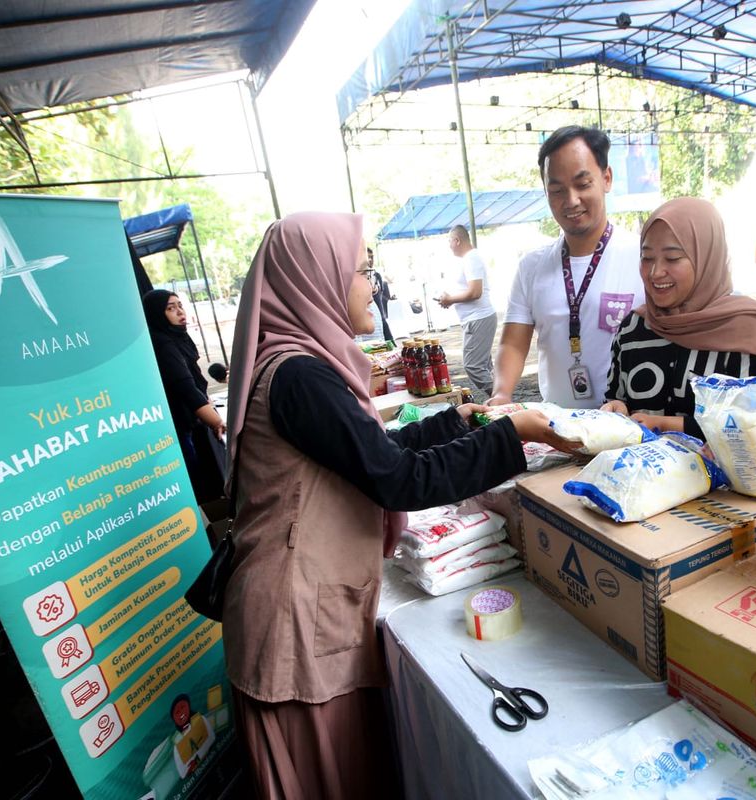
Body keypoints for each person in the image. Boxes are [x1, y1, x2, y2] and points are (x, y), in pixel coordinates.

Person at [220, 212, 573, 799]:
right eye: (362, 271)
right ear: (317, 278)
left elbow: (371, 451)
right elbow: (398, 479)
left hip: (301, 606)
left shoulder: (300, 365)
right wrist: (510, 437)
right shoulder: (300, 376)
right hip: (292, 619)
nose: (372, 285)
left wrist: (458, 421)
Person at [600, 197, 756, 436]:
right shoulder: (634, 328)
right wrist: (615, 408)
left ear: (707, 257)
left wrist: (665, 425)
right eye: (647, 258)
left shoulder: (748, 334)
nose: (655, 272)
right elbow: (616, 398)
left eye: (672, 258)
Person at [490, 125, 644, 408]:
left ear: (606, 178)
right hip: (557, 425)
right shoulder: (531, 267)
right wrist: (501, 393)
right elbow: (513, 343)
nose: (571, 201)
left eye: (582, 184)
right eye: (557, 190)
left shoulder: (642, 258)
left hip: (627, 422)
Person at [141, 289, 226, 503]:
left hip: (189, 421)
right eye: (171, 308)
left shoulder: (178, 336)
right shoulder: (162, 343)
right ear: (156, 314)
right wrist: (217, 422)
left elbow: (195, 381)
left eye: (180, 306)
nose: (180, 312)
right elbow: (185, 387)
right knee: (193, 481)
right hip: (176, 427)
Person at [439, 224, 497, 398]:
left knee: (473, 365)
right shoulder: (469, 258)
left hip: (478, 317)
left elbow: (475, 292)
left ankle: (501, 399)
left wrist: (450, 299)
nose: (449, 245)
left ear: (457, 240)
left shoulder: (471, 258)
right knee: (485, 366)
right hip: (476, 318)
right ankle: (501, 400)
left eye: (450, 241)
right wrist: (449, 298)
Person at [363, 247, 395, 342]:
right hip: (368, 319)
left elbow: (381, 293)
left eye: (371, 257)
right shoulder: (361, 276)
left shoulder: (376, 275)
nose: (370, 260)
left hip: (380, 316)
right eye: (367, 257)